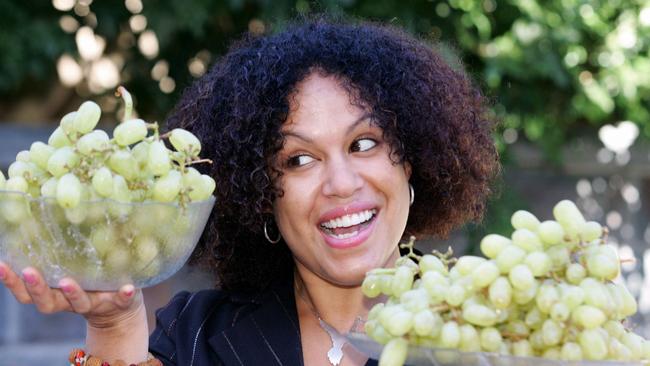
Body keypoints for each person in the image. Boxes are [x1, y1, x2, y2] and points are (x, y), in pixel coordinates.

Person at [0, 16, 498, 365]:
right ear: (263, 192)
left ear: (411, 163)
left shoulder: (492, 334)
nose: (342, 184)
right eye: (298, 159)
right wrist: (114, 327)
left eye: (364, 143)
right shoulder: (195, 335)